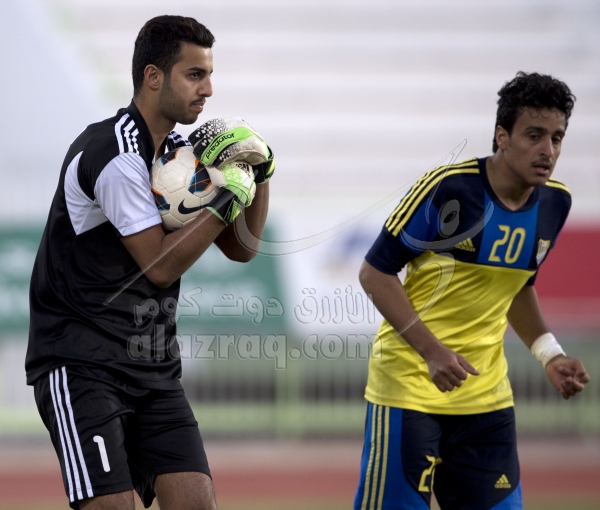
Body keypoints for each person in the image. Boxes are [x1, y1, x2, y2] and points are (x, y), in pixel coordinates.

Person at [25, 15, 273, 510]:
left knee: (198, 503)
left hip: (153, 366)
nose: (208, 90)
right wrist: (225, 199)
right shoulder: (115, 155)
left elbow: (242, 248)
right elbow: (158, 267)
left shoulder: (182, 154)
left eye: (209, 75)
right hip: (82, 364)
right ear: (153, 76)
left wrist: (260, 173)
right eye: (195, 75)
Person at [354, 72, 590, 510]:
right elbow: (374, 273)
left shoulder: (555, 203)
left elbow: (518, 286)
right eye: (534, 135)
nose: (548, 150)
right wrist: (432, 352)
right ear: (502, 136)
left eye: (557, 138)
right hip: (409, 391)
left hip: (486, 400)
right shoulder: (449, 189)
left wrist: (550, 354)